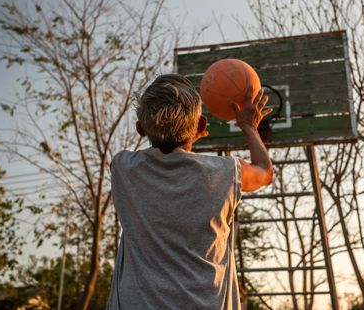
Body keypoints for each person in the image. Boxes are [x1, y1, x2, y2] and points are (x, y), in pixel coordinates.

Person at [107, 74, 273, 309]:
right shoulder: (225, 173)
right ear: (201, 126)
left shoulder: (122, 168)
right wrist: (249, 127)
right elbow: (265, 171)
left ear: (140, 128)